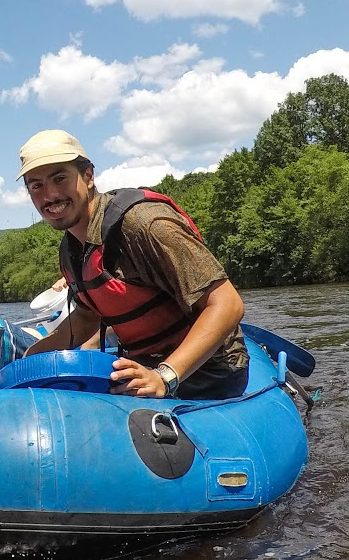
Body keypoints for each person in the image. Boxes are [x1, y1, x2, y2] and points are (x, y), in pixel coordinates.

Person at [17, 129, 249, 400]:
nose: (50, 195)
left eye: (60, 178)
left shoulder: (145, 225)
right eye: (36, 185)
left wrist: (165, 376)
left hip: (212, 369)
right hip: (144, 367)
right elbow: (88, 315)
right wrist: (33, 356)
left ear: (88, 176)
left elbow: (228, 304)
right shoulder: (71, 250)